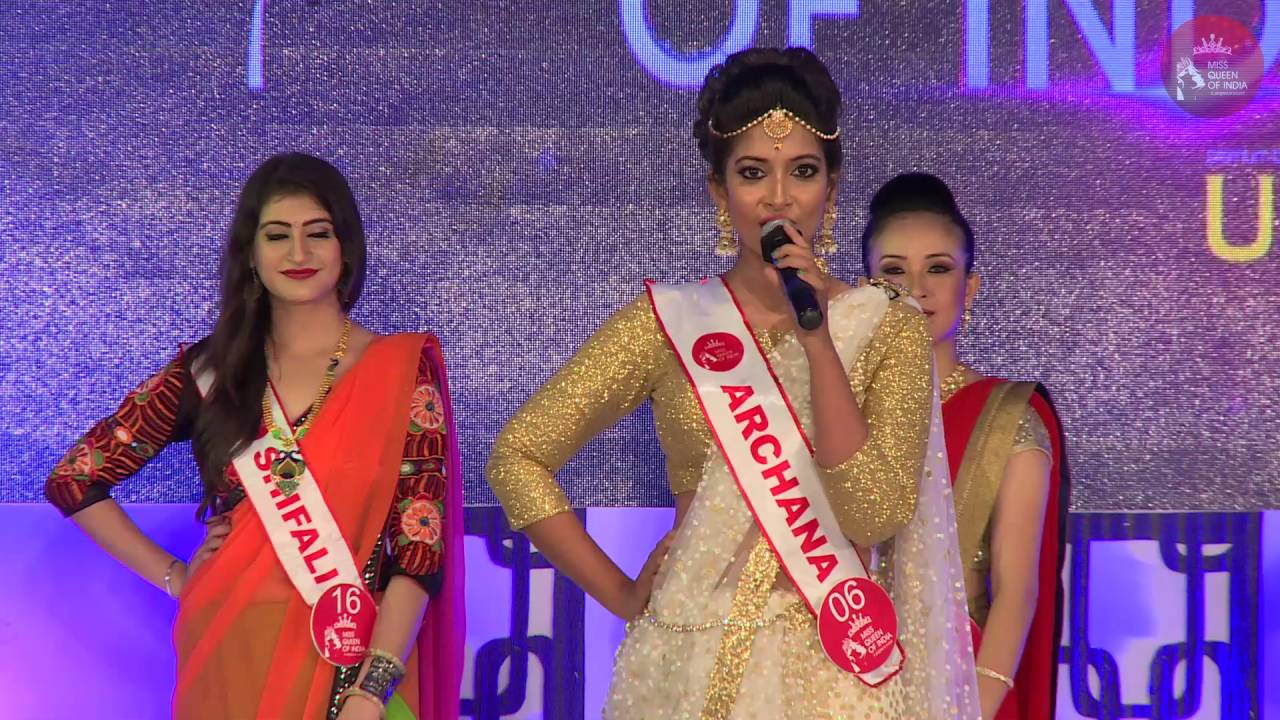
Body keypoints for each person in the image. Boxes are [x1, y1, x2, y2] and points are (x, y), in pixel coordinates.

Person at [486, 48, 978, 719]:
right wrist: (622, 594)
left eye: (803, 171)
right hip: (682, 663)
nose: (779, 197)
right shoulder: (668, 323)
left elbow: (874, 513)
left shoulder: (886, 325)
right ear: (719, 191)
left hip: (830, 677)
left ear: (831, 188)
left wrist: (819, 341)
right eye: (752, 173)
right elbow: (517, 458)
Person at [44, 153, 464, 720]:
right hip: (229, 651)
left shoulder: (401, 370)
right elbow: (75, 479)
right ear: (250, 253)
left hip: (357, 660)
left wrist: (372, 690)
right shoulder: (208, 373)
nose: (298, 253)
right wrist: (176, 576)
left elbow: (420, 548)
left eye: (318, 233)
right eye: (277, 235)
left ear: (346, 248)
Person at [863, 173, 1069, 720]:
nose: (917, 287)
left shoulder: (1008, 417)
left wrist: (970, 704)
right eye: (893, 271)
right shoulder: (836, 412)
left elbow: (1017, 592)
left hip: (966, 688)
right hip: (839, 685)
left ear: (969, 287)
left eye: (938, 268)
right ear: (864, 288)